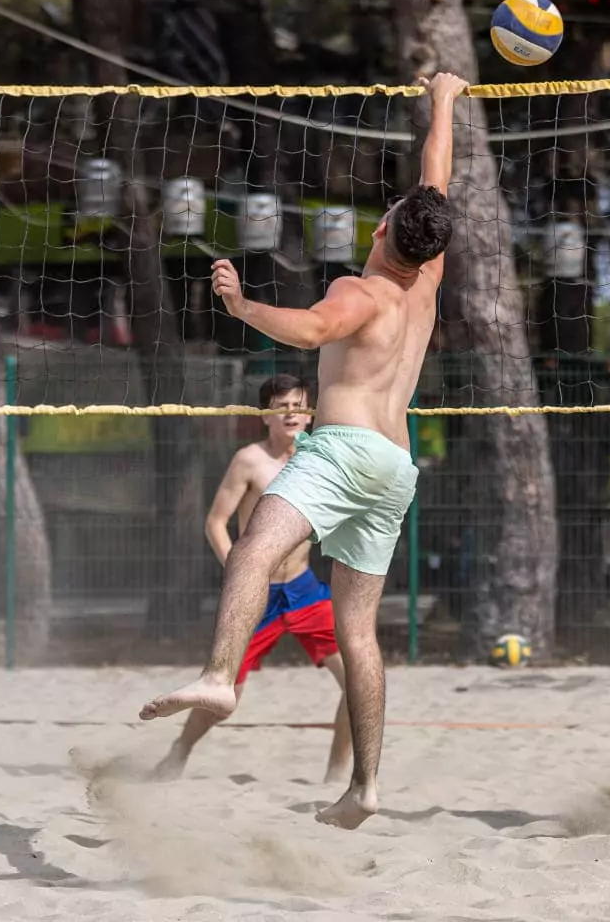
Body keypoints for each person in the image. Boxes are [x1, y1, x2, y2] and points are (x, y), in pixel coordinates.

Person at [139, 70, 463, 830]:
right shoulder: (429, 276)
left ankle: (221, 678)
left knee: (254, 548)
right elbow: (436, 184)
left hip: (344, 448)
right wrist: (443, 102)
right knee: (358, 632)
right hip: (393, 468)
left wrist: (240, 304)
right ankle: (367, 787)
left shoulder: (361, 289)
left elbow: (313, 331)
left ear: (384, 231)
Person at [152, 374, 352, 783]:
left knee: (357, 679)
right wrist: (238, 575)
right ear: (266, 415)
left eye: (299, 405)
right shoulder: (249, 460)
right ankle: (179, 752)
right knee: (226, 698)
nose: (292, 413)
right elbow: (216, 523)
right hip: (257, 594)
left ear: (310, 412)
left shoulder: (318, 457)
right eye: (282, 406)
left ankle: (336, 775)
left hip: (303, 589)